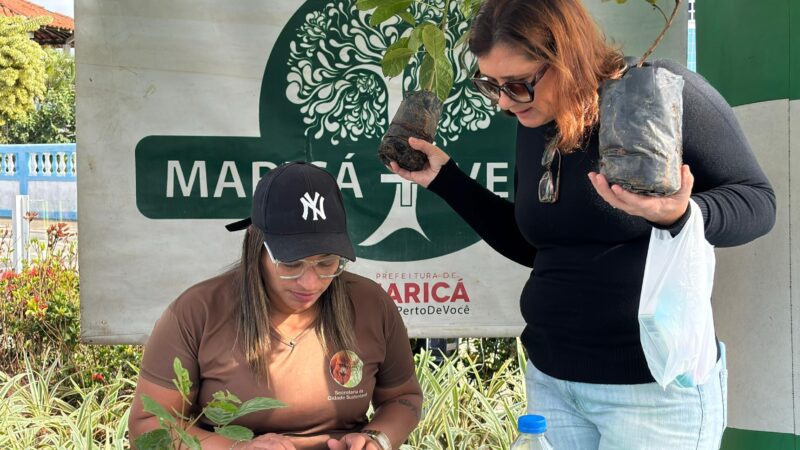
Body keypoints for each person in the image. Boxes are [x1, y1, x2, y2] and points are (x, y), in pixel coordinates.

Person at [388, 0, 776, 448]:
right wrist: (446, 180)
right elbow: (539, 245)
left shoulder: (658, 92)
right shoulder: (534, 116)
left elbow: (757, 203)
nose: (503, 102)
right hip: (552, 382)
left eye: (516, 84)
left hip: (654, 392)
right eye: (490, 85)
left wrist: (681, 215)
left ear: (566, 56)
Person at [129, 161, 422, 450]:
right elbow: (148, 425)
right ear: (256, 246)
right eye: (291, 263)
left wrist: (376, 438)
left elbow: (402, 397)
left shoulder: (371, 304)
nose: (310, 282)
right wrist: (234, 448)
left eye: (326, 262)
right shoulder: (197, 312)